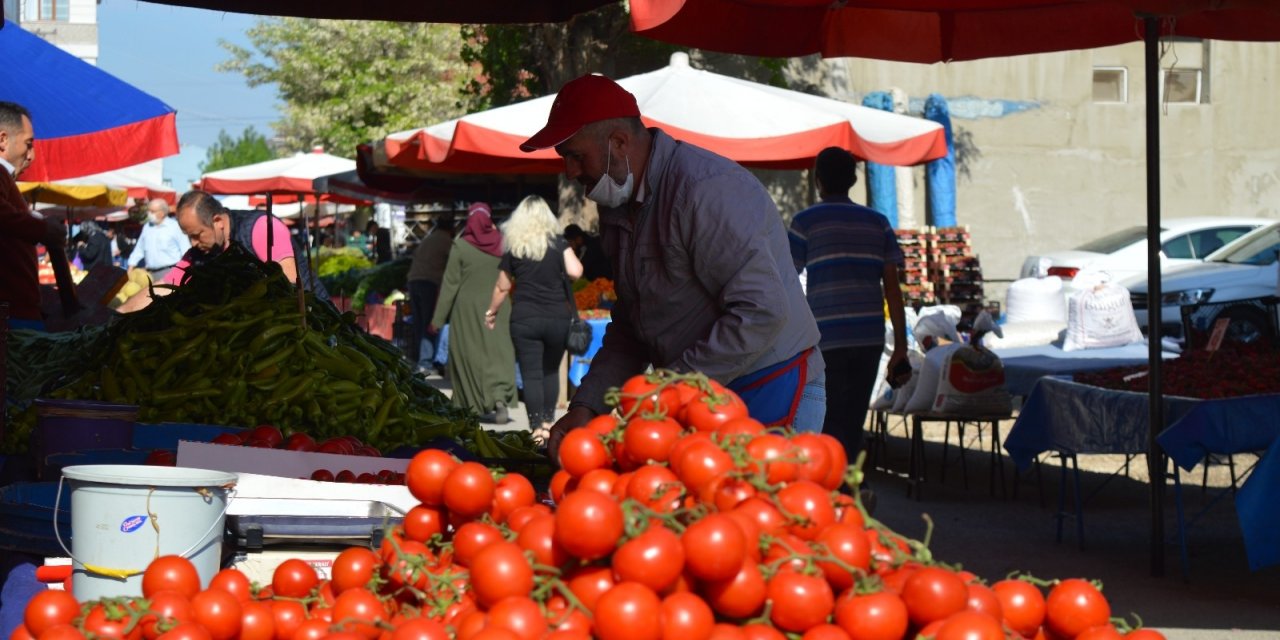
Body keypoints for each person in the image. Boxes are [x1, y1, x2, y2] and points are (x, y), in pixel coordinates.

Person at [521, 74, 825, 461]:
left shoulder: (706, 189)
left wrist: (665, 387)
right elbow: (632, 324)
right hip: (701, 391)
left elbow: (762, 312)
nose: (569, 172)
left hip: (769, 381)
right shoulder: (617, 204)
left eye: (576, 156)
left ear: (618, 143)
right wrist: (588, 404)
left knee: (758, 516)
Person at [789, 147, 908, 460]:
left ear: (818, 182)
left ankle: (833, 487)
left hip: (825, 338)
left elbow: (786, 282)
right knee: (854, 419)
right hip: (868, 337)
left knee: (825, 418)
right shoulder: (878, 223)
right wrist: (900, 348)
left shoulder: (805, 222)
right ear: (854, 179)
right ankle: (850, 485)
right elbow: (893, 290)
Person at [117, 190, 329, 312]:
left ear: (217, 221)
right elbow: (166, 286)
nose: (192, 243)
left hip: (315, 321)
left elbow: (289, 283)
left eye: (197, 234)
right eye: (188, 236)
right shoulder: (202, 252)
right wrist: (121, 313)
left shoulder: (260, 228)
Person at [485, 195, 584, 442]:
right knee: (551, 371)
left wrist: (492, 311)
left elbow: (502, 286)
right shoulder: (558, 243)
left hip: (525, 318)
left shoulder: (515, 246)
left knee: (531, 374)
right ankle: (549, 423)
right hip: (557, 318)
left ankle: (536, 427)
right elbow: (576, 271)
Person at [429, 202, 518, 423]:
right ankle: (499, 397)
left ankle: (470, 404)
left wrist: (438, 319)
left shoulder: (461, 246)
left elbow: (450, 285)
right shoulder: (503, 244)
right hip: (500, 305)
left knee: (468, 354)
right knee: (498, 353)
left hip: (466, 309)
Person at [0, 101, 65, 329]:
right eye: (28, 144)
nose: (32, 155)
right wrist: (44, 229)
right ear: (3, 140)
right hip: (11, 313)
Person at [407, 215, 455, 374]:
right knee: (430, 323)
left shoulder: (429, 238)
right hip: (429, 284)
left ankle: (419, 360)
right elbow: (456, 264)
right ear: (451, 228)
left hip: (413, 282)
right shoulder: (447, 241)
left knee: (419, 322)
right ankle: (426, 363)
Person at [127, 198, 188, 282]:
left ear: (162, 213)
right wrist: (131, 266)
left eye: (152, 211)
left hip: (171, 271)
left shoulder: (175, 227)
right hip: (150, 274)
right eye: (148, 211)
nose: (149, 214)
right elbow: (139, 249)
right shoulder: (147, 227)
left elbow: (186, 250)